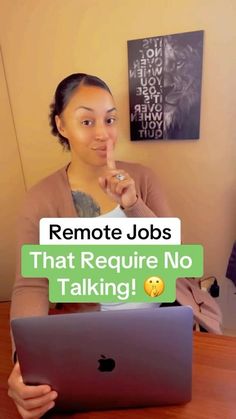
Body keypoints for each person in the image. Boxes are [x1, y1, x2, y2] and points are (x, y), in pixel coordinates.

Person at [8, 73, 222, 418]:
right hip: (87, 338)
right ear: (62, 125)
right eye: (87, 120)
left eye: (109, 119)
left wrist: (133, 204)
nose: (102, 133)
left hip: (159, 329)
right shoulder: (42, 199)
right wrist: (24, 363)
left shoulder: (144, 178)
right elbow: (32, 284)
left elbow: (177, 259)